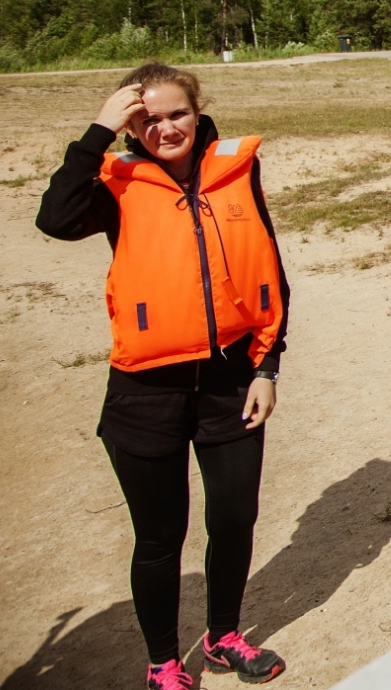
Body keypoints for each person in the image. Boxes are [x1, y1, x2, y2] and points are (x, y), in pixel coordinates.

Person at [35, 63, 290, 689]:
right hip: (145, 392)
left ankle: (224, 636)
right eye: (146, 119)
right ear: (130, 124)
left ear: (197, 111)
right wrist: (98, 130)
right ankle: (162, 665)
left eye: (176, 114)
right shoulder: (115, 182)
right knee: (159, 538)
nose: (165, 128)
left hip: (230, 380)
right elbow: (55, 218)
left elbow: (268, 264)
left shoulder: (235, 169)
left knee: (233, 519)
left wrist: (267, 365)